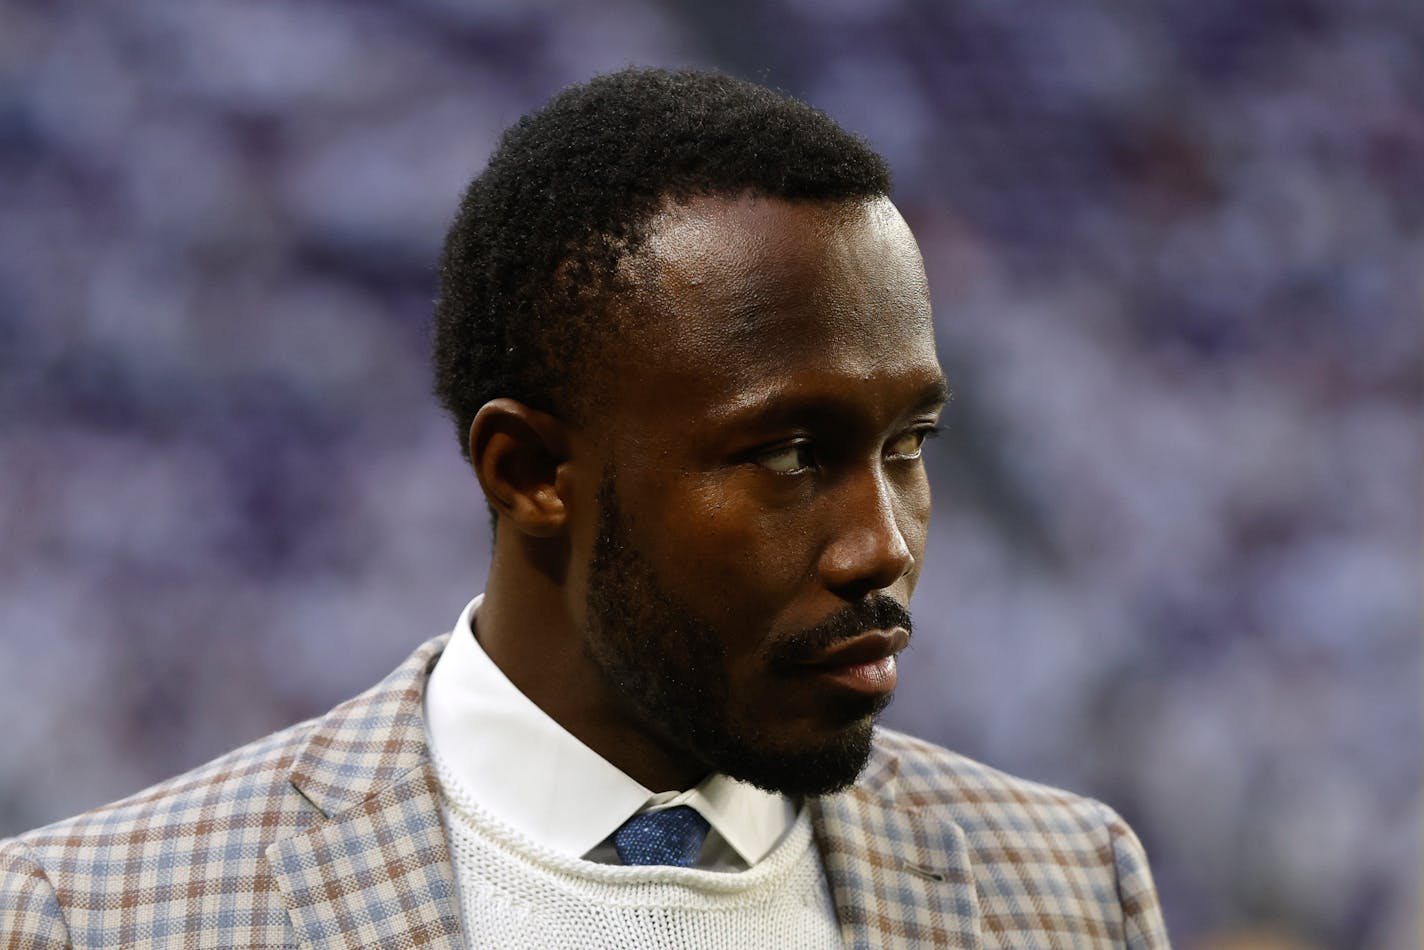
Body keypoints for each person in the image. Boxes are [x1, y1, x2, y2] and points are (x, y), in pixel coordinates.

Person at [0, 68, 1169, 948]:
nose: (884, 542)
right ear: (528, 473)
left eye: (906, 444)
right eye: (786, 455)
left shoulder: (1067, 884)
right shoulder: (98, 912)